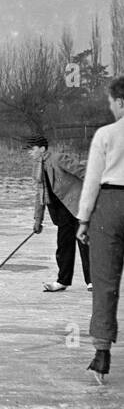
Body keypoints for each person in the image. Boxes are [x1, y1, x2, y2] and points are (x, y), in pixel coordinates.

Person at [76, 77, 124, 379]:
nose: (110, 108)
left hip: (110, 204)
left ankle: (102, 352)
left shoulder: (105, 135)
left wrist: (83, 219)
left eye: (111, 102)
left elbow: (92, 180)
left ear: (120, 102)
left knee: (105, 281)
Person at [28, 135, 91, 293]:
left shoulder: (58, 158)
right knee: (63, 246)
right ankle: (63, 281)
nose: (30, 152)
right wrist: (38, 220)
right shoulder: (37, 168)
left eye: (32, 149)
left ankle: (93, 281)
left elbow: (82, 171)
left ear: (42, 149)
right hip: (60, 211)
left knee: (84, 244)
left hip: (76, 206)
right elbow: (40, 195)